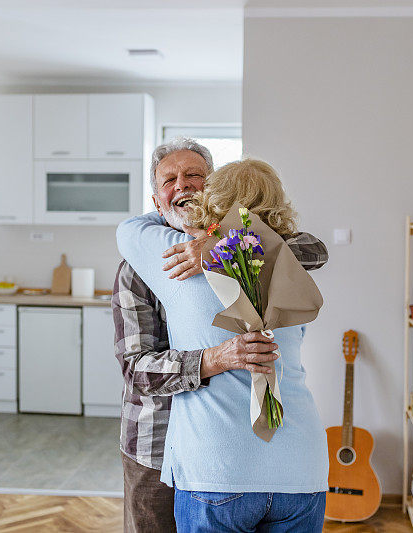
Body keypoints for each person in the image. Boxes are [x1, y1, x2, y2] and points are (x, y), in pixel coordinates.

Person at [113, 139, 328, 532]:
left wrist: (219, 247)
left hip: (215, 462)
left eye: (194, 176)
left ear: (213, 189)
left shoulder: (265, 253)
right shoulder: (141, 265)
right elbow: (137, 372)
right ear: (155, 199)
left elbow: (314, 247)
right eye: (170, 180)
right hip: (157, 442)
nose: (183, 186)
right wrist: (219, 358)